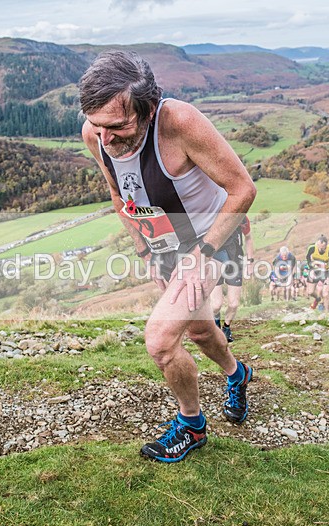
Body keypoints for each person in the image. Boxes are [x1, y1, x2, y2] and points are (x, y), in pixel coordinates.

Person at [79, 50, 257, 463]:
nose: (105, 138)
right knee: (198, 330)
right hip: (165, 245)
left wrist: (204, 252)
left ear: (149, 108)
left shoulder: (180, 123)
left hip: (214, 237)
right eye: (96, 125)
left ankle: (192, 426)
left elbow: (243, 190)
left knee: (160, 341)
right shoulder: (96, 134)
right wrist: (145, 249)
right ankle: (237, 373)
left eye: (118, 126)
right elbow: (117, 194)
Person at [211, 215, 255, 342]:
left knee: (234, 304)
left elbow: (249, 238)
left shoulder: (242, 218)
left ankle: (226, 328)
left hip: (235, 261)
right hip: (215, 261)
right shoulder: (213, 214)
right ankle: (216, 326)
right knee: (216, 305)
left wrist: (250, 262)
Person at [305, 235, 329, 312]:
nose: (320, 249)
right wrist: (311, 268)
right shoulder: (312, 247)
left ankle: (327, 312)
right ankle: (318, 299)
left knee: (326, 294)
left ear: (326, 245)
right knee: (310, 292)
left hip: (326, 272)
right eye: (319, 247)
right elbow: (307, 258)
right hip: (315, 270)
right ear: (317, 244)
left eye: (322, 248)